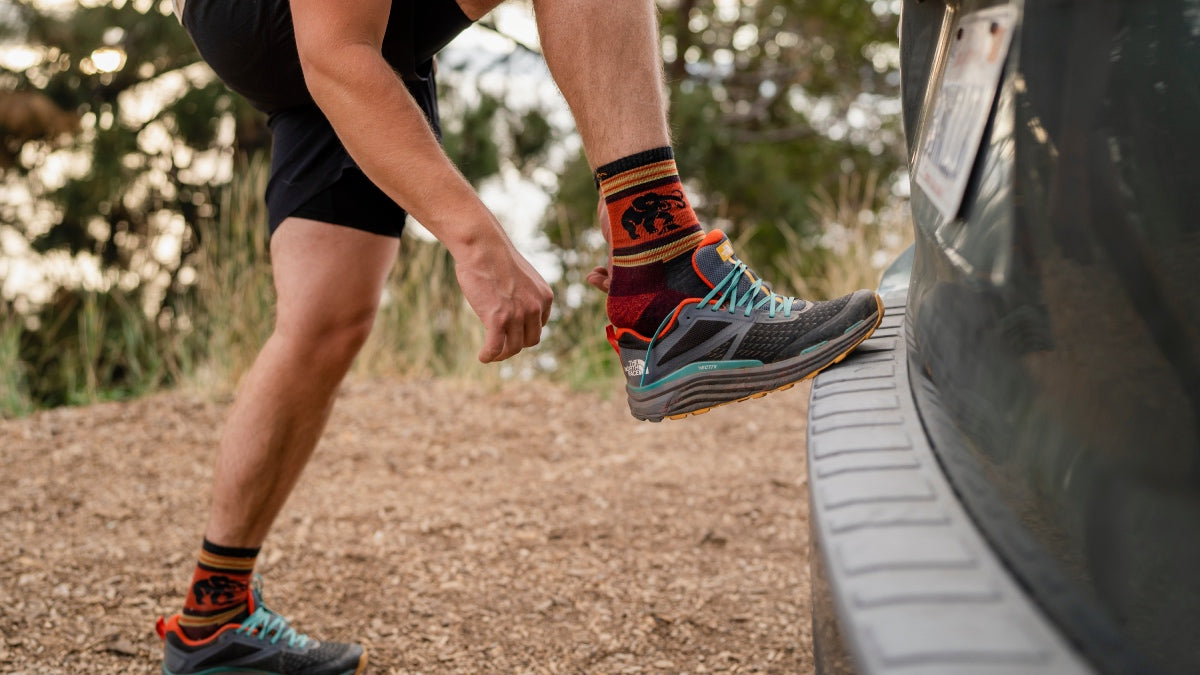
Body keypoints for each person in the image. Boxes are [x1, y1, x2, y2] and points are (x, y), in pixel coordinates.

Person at [156, 0, 883, 672]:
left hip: (295, 32)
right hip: (286, 19)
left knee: (323, 322)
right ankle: (666, 281)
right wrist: (478, 239)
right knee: (344, 59)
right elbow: (337, 57)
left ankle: (212, 618)